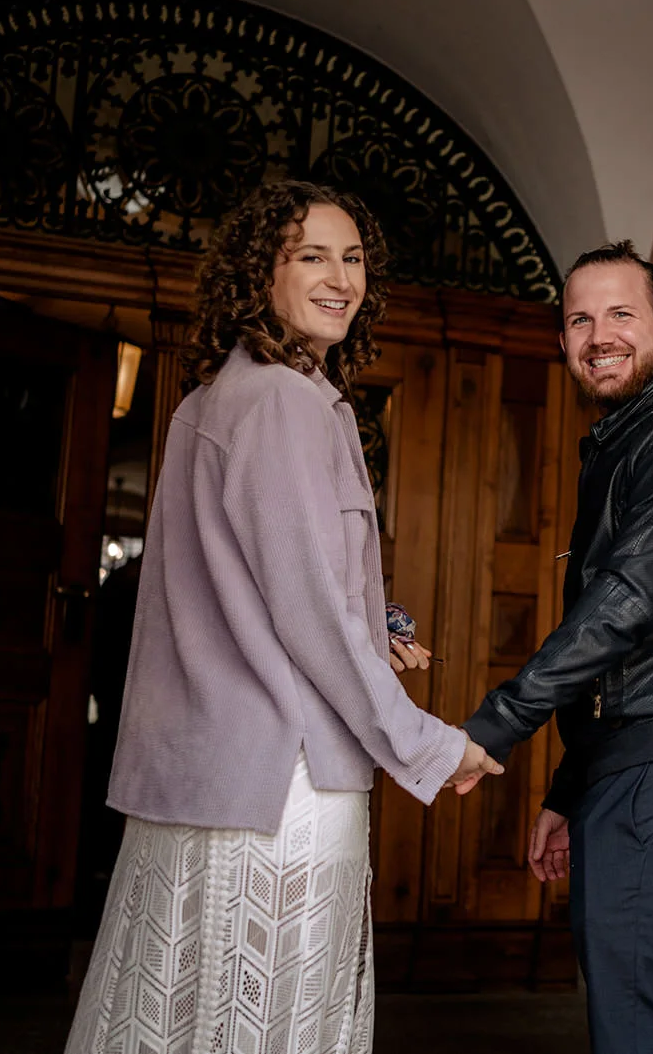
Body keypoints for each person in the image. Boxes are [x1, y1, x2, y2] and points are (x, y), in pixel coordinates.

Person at [66, 180, 502, 1054]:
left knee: (180, 1025)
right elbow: (309, 621)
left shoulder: (210, 403)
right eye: (312, 256)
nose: (342, 277)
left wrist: (369, 618)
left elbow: (258, 584)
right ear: (257, 274)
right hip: (283, 786)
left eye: (354, 258)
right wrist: (432, 743)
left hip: (202, 776)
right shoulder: (285, 404)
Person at [462, 241, 653, 1054]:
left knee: (641, 1040)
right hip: (646, 771)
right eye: (580, 318)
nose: (600, 334)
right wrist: (572, 783)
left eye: (621, 314)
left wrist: (491, 728)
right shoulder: (629, 440)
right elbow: (633, 641)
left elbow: (622, 605)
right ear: (563, 340)